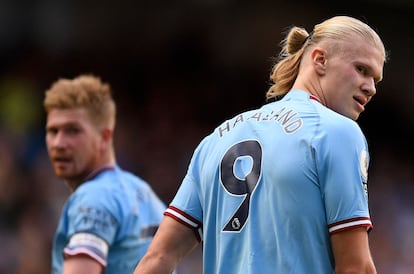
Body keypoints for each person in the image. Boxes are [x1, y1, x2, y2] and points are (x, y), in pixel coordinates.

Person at [133, 15, 387, 274]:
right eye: (361, 69)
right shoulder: (338, 133)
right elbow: (355, 267)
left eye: (375, 80)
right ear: (320, 60)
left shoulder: (216, 139)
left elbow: (158, 257)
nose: (371, 88)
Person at [44, 75, 167, 274]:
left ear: (104, 137)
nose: (58, 143)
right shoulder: (143, 192)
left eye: (72, 131)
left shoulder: (93, 197)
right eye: (53, 131)